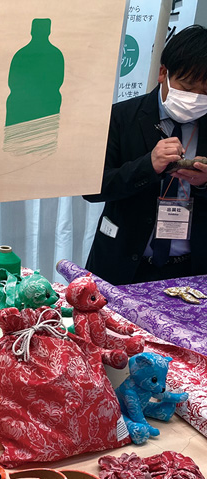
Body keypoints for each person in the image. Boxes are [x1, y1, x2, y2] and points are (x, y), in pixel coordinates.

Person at [84, 25, 207, 285]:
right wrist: (147, 166)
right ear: (163, 73)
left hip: (192, 271)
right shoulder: (121, 117)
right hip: (121, 265)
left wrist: (204, 184)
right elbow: (92, 190)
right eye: (187, 88)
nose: (196, 99)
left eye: (205, 93)